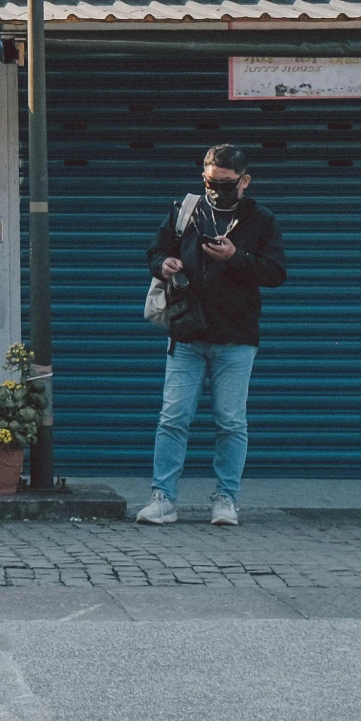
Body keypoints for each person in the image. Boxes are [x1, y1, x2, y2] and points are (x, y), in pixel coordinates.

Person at [137, 144, 287, 528]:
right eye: (209, 182)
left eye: (225, 183)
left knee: (230, 421)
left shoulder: (261, 219)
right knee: (172, 417)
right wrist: (164, 264)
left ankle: (225, 499)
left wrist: (236, 257)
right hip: (187, 332)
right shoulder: (186, 209)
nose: (215, 190)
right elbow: (155, 249)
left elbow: (275, 273)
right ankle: (163, 498)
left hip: (236, 337)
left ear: (244, 181)